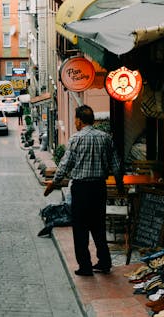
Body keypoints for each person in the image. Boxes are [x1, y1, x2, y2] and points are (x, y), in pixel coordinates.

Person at [44, 105, 124, 276]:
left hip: (81, 188)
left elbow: (65, 165)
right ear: (93, 120)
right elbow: (116, 165)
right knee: (99, 227)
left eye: (75, 119)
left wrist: (54, 183)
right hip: (99, 188)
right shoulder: (106, 138)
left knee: (80, 229)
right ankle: (104, 262)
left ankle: (85, 266)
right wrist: (119, 186)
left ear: (79, 120)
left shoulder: (76, 139)